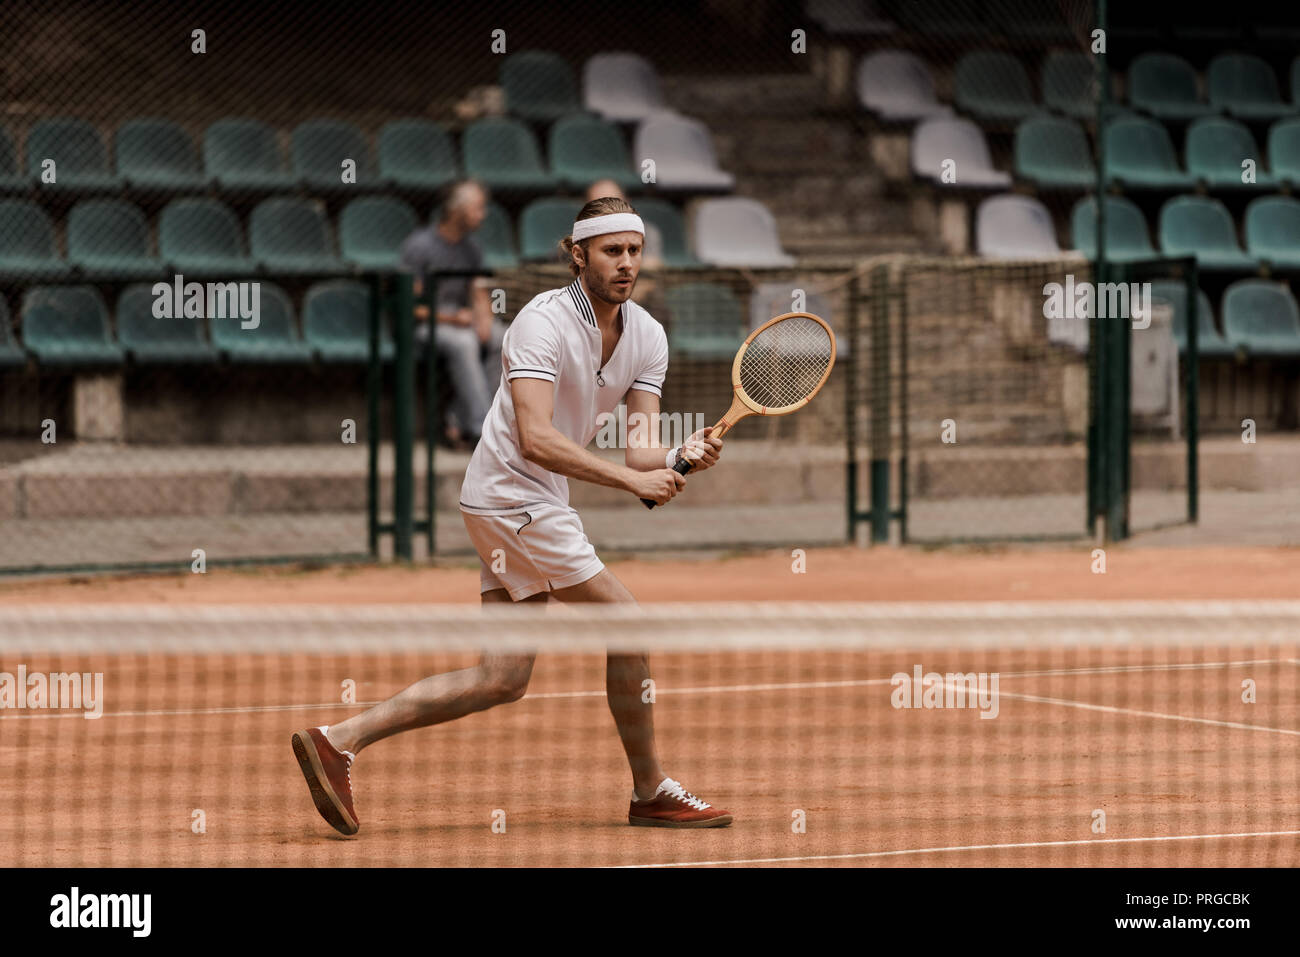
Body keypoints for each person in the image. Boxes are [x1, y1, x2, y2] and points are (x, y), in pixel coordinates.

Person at [292, 196, 730, 834]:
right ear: (578, 254)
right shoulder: (539, 322)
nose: (626, 263)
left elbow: (640, 447)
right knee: (628, 624)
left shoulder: (649, 336)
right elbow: (535, 438)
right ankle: (649, 789)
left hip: (532, 501)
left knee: (500, 678)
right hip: (508, 494)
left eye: (634, 250)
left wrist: (678, 454)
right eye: (612, 251)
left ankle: (337, 740)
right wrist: (633, 480)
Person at [399, 179, 505, 451]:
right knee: (463, 343)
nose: (482, 215)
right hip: (427, 324)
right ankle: (484, 430)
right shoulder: (420, 247)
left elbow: (479, 290)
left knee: (502, 338)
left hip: (462, 320)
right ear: (456, 210)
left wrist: (484, 318)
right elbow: (410, 305)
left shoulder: (471, 248)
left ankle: (461, 418)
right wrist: (453, 319)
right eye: (477, 208)